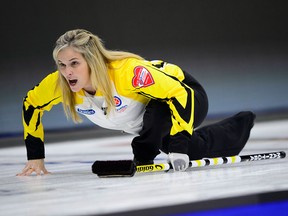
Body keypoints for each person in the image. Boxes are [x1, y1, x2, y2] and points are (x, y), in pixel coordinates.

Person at [17, 29, 255, 176]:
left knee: (168, 127)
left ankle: (143, 153)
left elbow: (178, 95)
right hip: (149, 118)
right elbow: (31, 105)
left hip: (186, 94)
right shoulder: (60, 83)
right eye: (61, 65)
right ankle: (240, 123)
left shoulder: (127, 73)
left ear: (93, 62)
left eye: (74, 63)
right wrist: (35, 156)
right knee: (195, 151)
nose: (67, 72)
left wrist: (178, 146)